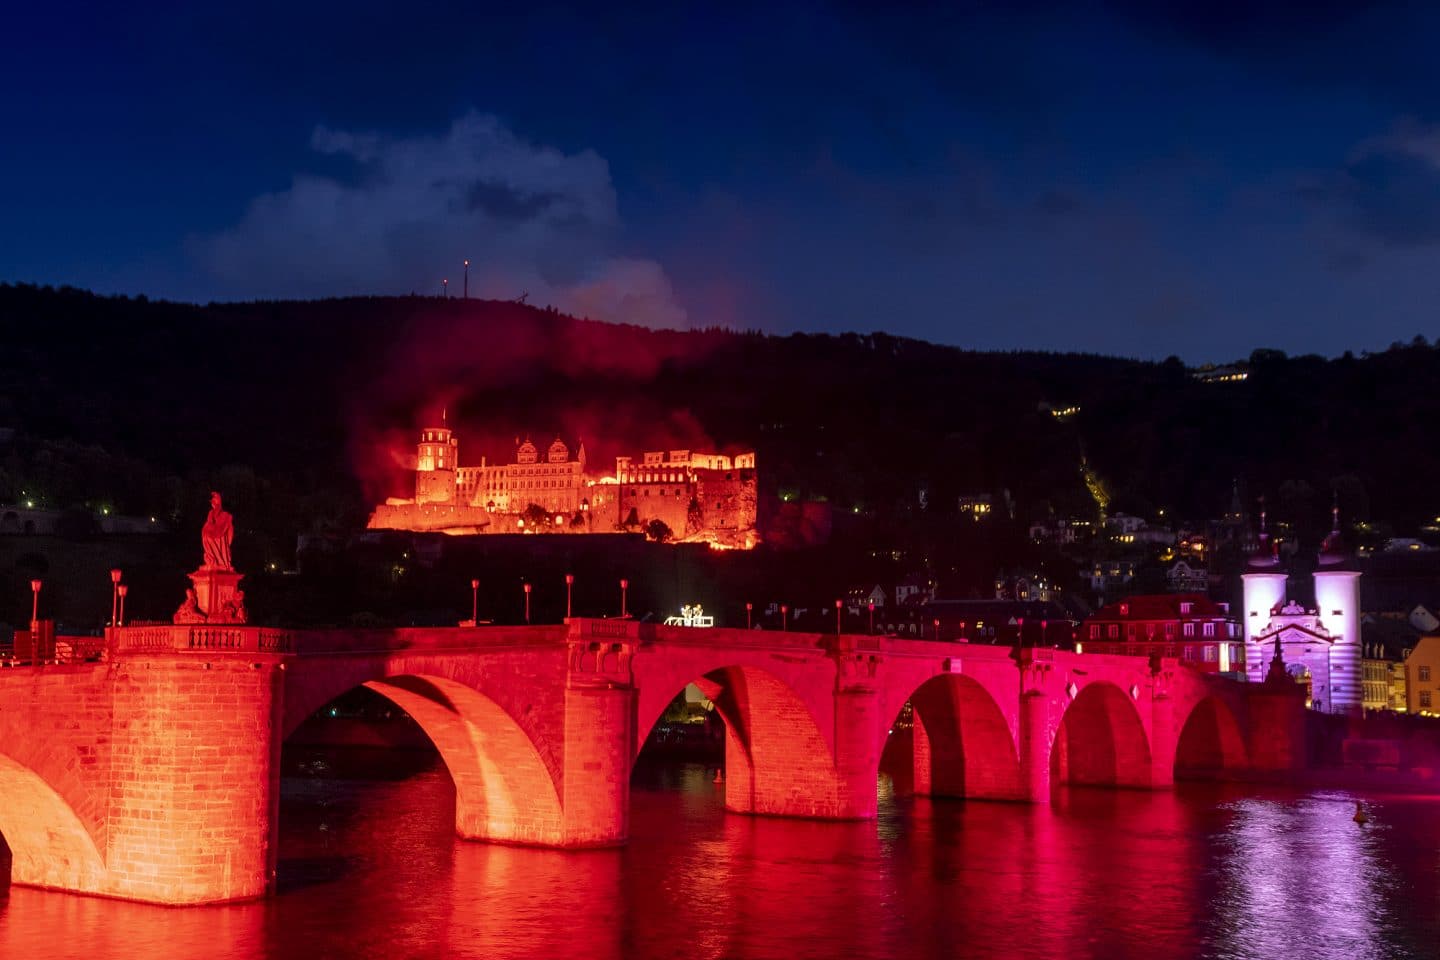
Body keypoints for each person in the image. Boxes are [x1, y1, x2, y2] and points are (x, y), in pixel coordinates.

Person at [201, 491, 234, 570]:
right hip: (212, 531)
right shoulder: (211, 512)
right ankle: (213, 559)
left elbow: (225, 526)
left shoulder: (224, 515)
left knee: (209, 536)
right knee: (206, 536)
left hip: (219, 532)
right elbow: (209, 522)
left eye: (215, 501)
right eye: (212, 502)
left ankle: (219, 561)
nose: (213, 503)